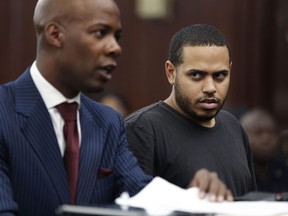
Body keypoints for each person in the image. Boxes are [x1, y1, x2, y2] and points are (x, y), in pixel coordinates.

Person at [0, 1, 233, 215]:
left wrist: (193, 195)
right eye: (100, 33)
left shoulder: (107, 121)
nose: (115, 48)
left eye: (117, 36)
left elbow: (140, 192)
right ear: (55, 34)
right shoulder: (4, 111)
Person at [125, 24, 257, 198]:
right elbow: (131, 206)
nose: (210, 87)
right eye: (196, 75)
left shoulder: (234, 126)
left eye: (219, 76)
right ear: (171, 72)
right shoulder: (143, 129)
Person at [240, 108, 288, 192]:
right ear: (242, 136)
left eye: (272, 132)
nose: (266, 139)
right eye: (257, 132)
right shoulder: (236, 172)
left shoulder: (283, 167)